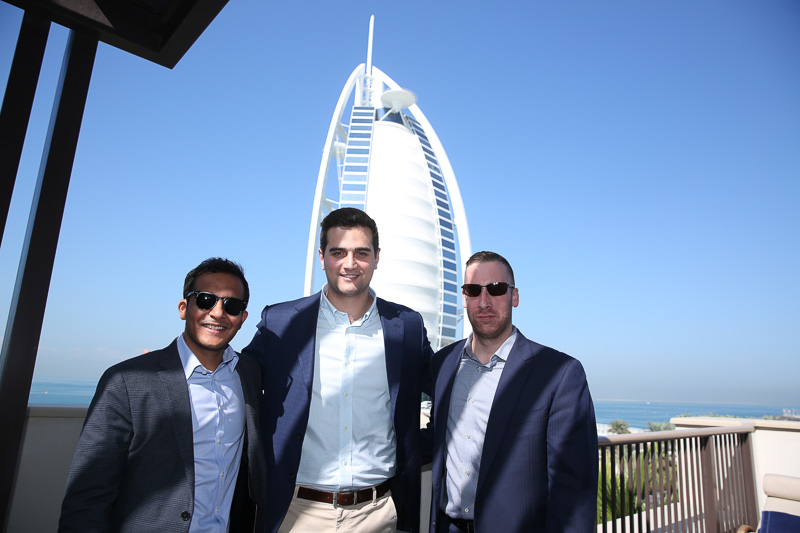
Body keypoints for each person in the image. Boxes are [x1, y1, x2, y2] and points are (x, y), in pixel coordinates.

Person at [243, 207, 433, 533]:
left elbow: (446, 390)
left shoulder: (407, 326)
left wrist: (416, 450)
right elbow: (238, 385)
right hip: (296, 513)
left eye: (361, 252)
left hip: (380, 514)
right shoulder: (280, 323)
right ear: (322, 257)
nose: (350, 264)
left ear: (376, 257)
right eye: (338, 252)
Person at [59, 258, 266, 533]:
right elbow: (89, 492)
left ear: (242, 317)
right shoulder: (126, 381)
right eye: (205, 300)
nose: (217, 313)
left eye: (231, 305)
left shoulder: (249, 374)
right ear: (184, 308)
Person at [429, 251, 598, 533]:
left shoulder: (559, 374)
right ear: (464, 298)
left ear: (514, 297)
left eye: (496, 289)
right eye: (473, 290)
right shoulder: (442, 364)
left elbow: (573, 489)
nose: (484, 302)